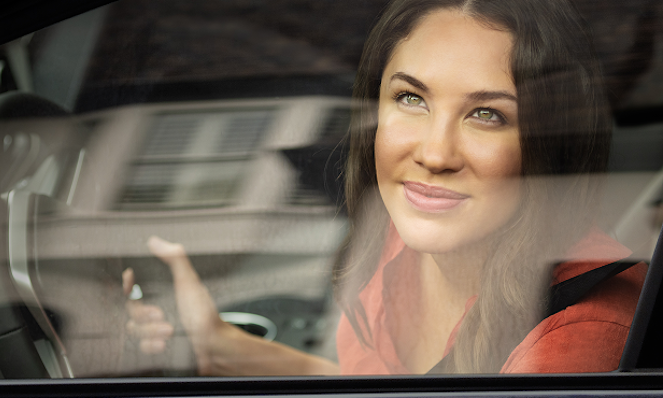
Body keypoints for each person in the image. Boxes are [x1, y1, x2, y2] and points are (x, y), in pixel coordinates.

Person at [122, 0, 646, 375]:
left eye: (486, 114)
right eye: (411, 99)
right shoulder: (398, 241)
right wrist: (218, 344)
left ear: (548, 144)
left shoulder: (577, 337)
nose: (435, 155)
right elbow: (375, 390)